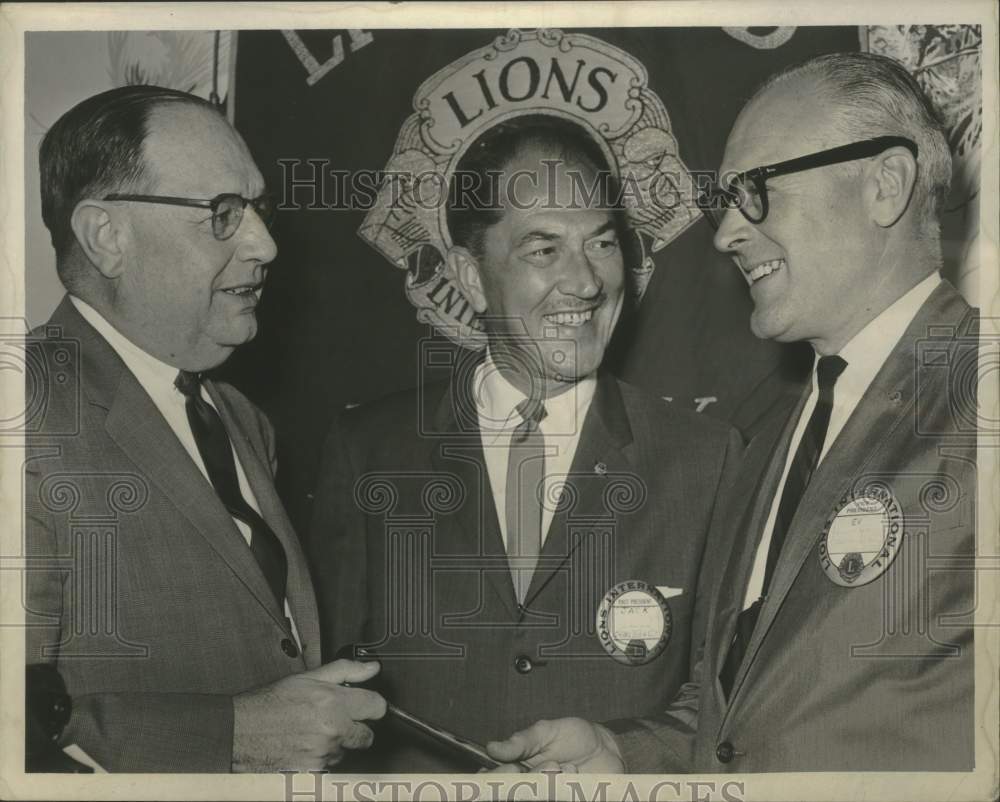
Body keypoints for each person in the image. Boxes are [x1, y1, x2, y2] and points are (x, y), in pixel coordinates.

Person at [488, 52, 978, 773]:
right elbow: (741, 714)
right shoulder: (768, 446)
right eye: (724, 200)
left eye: (757, 190)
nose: (724, 236)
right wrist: (625, 751)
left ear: (885, 185)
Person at [306, 115, 743, 772]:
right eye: (544, 250)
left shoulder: (705, 459)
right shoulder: (366, 453)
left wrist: (626, 751)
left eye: (601, 244)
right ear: (470, 276)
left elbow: (727, 702)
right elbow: (324, 701)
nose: (588, 284)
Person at [23, 85, 386, 772]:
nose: (266, 243)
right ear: (106, 236)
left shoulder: (238, 418)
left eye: (256, 208)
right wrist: (227, 739)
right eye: (222, 213)